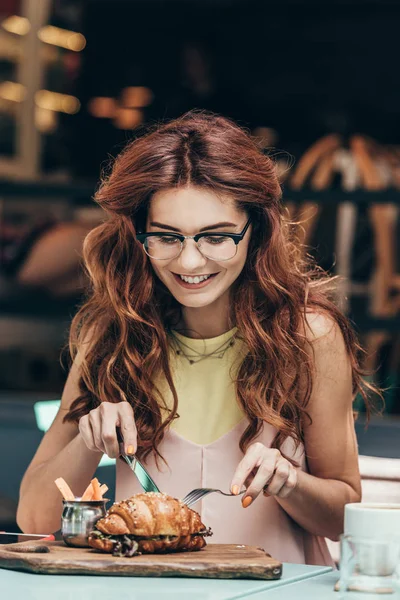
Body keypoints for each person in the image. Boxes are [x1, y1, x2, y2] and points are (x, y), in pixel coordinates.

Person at [17, 111, 373, 566]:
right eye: (166, 237)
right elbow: (33, 518)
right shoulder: (112, 337)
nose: (189, 262)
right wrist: (87, 442)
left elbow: (346, 515)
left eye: (216, 237)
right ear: (139, 234)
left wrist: (290, 481)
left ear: (256, 231)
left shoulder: (307, 336)